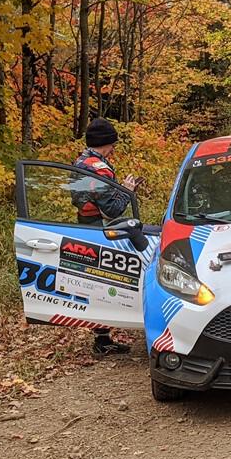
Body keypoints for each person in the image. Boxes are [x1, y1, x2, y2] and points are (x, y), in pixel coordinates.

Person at [73, 117, 140, 354]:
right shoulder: (99, 169)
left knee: (93, 283)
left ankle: (102, 337)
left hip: (83, 224)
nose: (113, 150)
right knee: (104, 281)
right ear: (105, 143)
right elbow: (111, 209)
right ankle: (103, 340)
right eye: (112, 145)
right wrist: (127, 191)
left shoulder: (79, 161)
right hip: (98, 229)